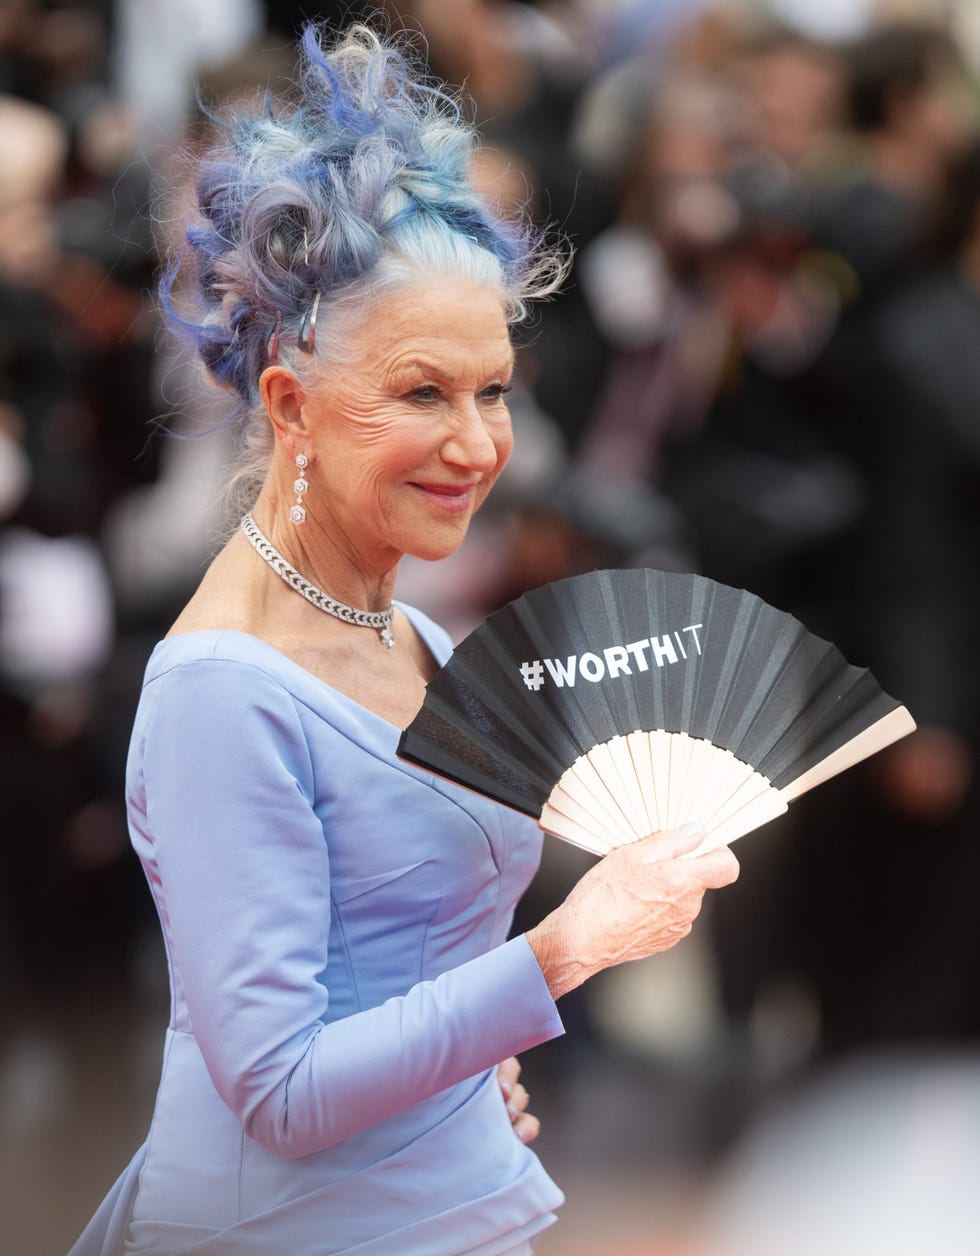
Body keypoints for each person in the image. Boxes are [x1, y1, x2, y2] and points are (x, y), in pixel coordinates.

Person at [69, 24, 738, 1256]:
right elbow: (277, 1090)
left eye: (493, 391)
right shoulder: (222, 689)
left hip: (454, 1210)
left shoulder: (415, 628)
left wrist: (462, 1070)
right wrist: (564, 946)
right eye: (423, 392)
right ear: (289, 402)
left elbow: (404, 978)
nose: (479, 445)